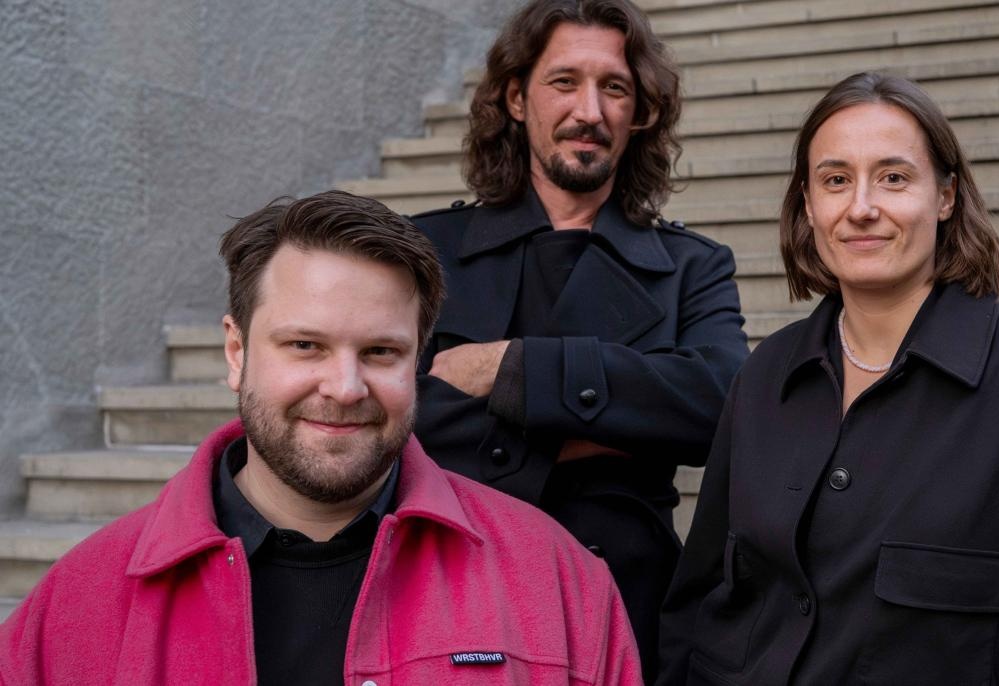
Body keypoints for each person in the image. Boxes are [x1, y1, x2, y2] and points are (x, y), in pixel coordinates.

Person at [657, 72, 999, 686]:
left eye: (893, 177)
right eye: (836, 180)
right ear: (808, 204)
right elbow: (696, 595)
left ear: (945, 196)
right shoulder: (764, 374)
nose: (861, 207)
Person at [0, 191, 642, 686]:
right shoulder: (77, 607)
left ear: (416, 362)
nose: (344, 387)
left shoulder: (559, 584)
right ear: (236, 352)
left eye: (381, 351)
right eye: (305, 345)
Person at [409, 0, 748, 678]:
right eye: (564, 82)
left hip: (625, 600)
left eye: (614, 87)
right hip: (451, 585)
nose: (589, 111)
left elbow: (723, 408)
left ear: (640, 111)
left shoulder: (693, 266)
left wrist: (511, 368)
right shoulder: (424, 248)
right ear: (516, 98)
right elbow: (391, 417)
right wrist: (620, 418)